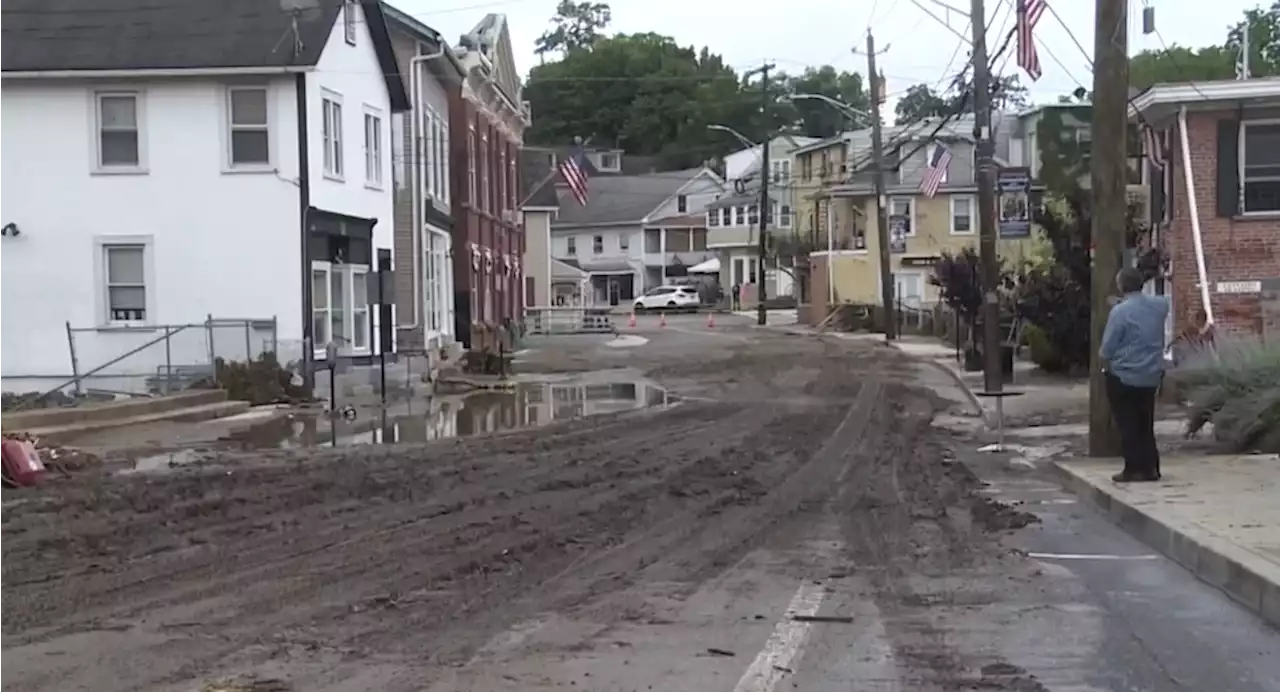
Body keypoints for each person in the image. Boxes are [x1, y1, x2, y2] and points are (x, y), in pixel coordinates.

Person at [1100, 268, 1170, 483]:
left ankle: (1133, 468)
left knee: (1128, 424)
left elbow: (1107, 349)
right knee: (1145, 422)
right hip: (1151, 374)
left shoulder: (1119, 313)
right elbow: (1159, 303)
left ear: (1121, 286)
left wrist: (1104, 359)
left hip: (1124, 375)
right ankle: (1151, 467)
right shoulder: (1160, 306)